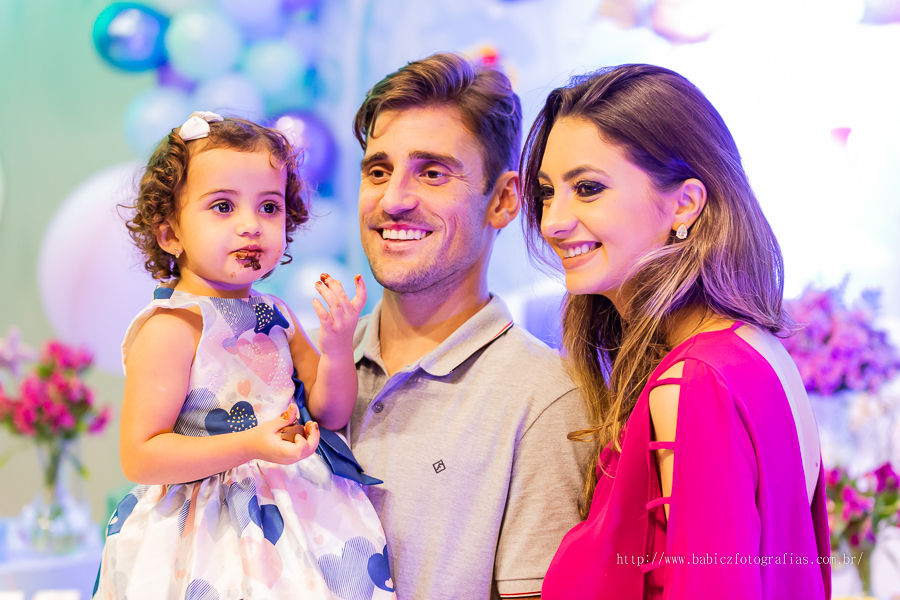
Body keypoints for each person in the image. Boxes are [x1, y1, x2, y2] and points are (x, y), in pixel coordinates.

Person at [521, 65, 833, 599]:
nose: (552, 221)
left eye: (589, 188)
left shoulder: (695, 383)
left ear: (685, 203)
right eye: (549, 192)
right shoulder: (756, 349)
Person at [93, 112, 395, 599]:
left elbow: (331, 412)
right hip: (207, 527)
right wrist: (252, 444)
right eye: (222, 207)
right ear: (170, 233)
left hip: (300, 512)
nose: (251, 225)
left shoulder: (275, 313)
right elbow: (142, 456)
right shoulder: (174, 326)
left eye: (269, 207)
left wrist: (338, 346)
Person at [346, 53, 589, 599]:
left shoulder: (548, 398)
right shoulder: (302, 367)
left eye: (431, 173)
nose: (393, 200)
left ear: (503, 199)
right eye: (378, 171)